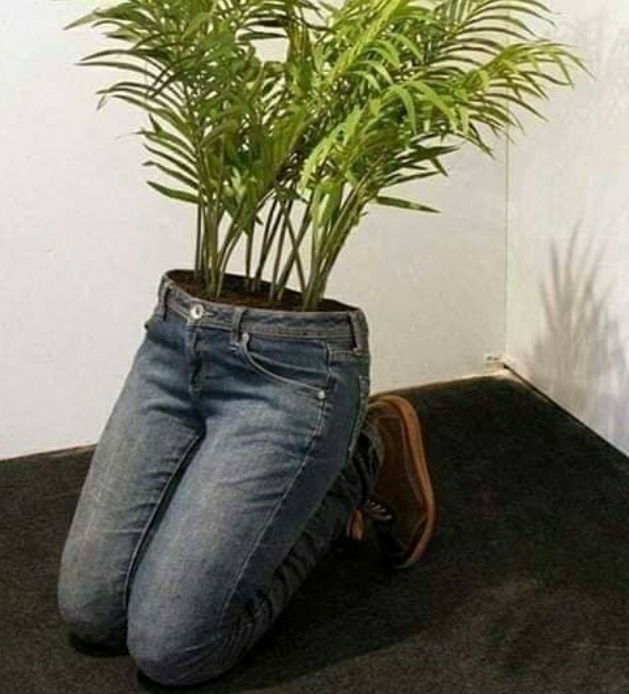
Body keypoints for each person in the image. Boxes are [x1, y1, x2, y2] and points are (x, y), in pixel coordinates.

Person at [57, 271, 436, 687]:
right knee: (92, 613)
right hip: (178, 334)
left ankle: (361, 458)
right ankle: (302, 468)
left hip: (292, 368)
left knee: (172, 651)